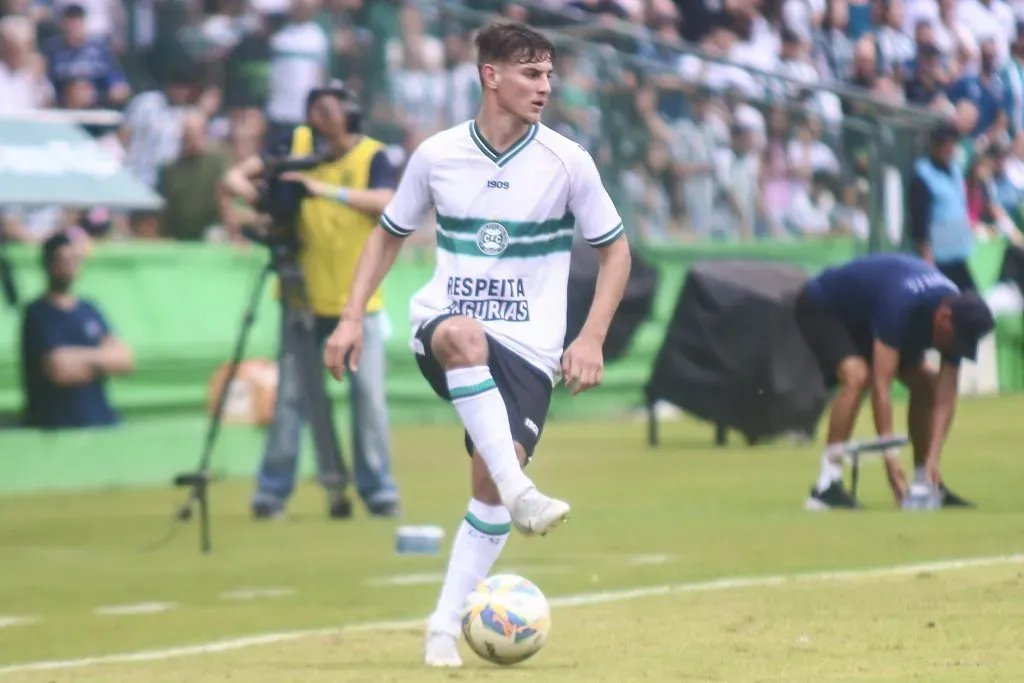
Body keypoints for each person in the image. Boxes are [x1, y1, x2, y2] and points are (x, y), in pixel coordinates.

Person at [321, 21, 632, 668]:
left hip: (530, 348)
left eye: (549, 74)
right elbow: (386, 234)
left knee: (487, 484)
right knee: (463, 335)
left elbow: (615, 250)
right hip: (445, 323)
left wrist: (592, 337)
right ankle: (524, 493)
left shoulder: (568, 161)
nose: (545, 86)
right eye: (530, 73)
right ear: (491, 76)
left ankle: (442, 625)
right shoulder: (436, 155)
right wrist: (352, 316)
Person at [221, 81, 401, 519]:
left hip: (356, 304)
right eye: (314, 110)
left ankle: (377, 489)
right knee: (290, 397)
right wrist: (262, 198)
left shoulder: (371, 156)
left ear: (349, 115)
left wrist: (324, 190)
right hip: (301, 295)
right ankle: (272, 491)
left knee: (368, 399)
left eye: (328, 110)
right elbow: (234, 177)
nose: (319, 121)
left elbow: (387, 202)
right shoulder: (295, 146)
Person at [793, 252, 995, 511]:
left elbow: (945, 396)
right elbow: (882, 386)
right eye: (955, 341)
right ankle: (826, 485)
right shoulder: (902, 302)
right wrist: (890, 457)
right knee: (858, 377)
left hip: (869, 316)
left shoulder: (957, 316)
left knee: (927, 385)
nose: (953, 348)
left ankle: (925, 482)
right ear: (944, 318)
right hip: (824, 307)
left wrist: (934, 458)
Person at [20, 231, 135, 429]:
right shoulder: (38, 313)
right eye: (63, 261)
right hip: (58, 425)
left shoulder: (89, 309)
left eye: (75, 260)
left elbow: (124, 360)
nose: (70, 268)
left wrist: (81, 360)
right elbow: (59, 369)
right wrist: (101, 361)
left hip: (101, 421)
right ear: (48, 264)